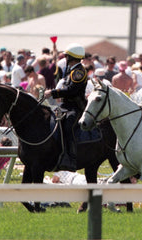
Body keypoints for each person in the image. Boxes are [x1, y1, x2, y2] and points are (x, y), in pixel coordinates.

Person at [44, 43, 87, 172]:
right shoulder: (71, 70)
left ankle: (70, 157)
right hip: (65, 106)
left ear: (71, 57)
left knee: (68, 125)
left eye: (66, 56)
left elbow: (72, 90)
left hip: (75, 107)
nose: (65, 58)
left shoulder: (78, 72)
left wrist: (53, 92)